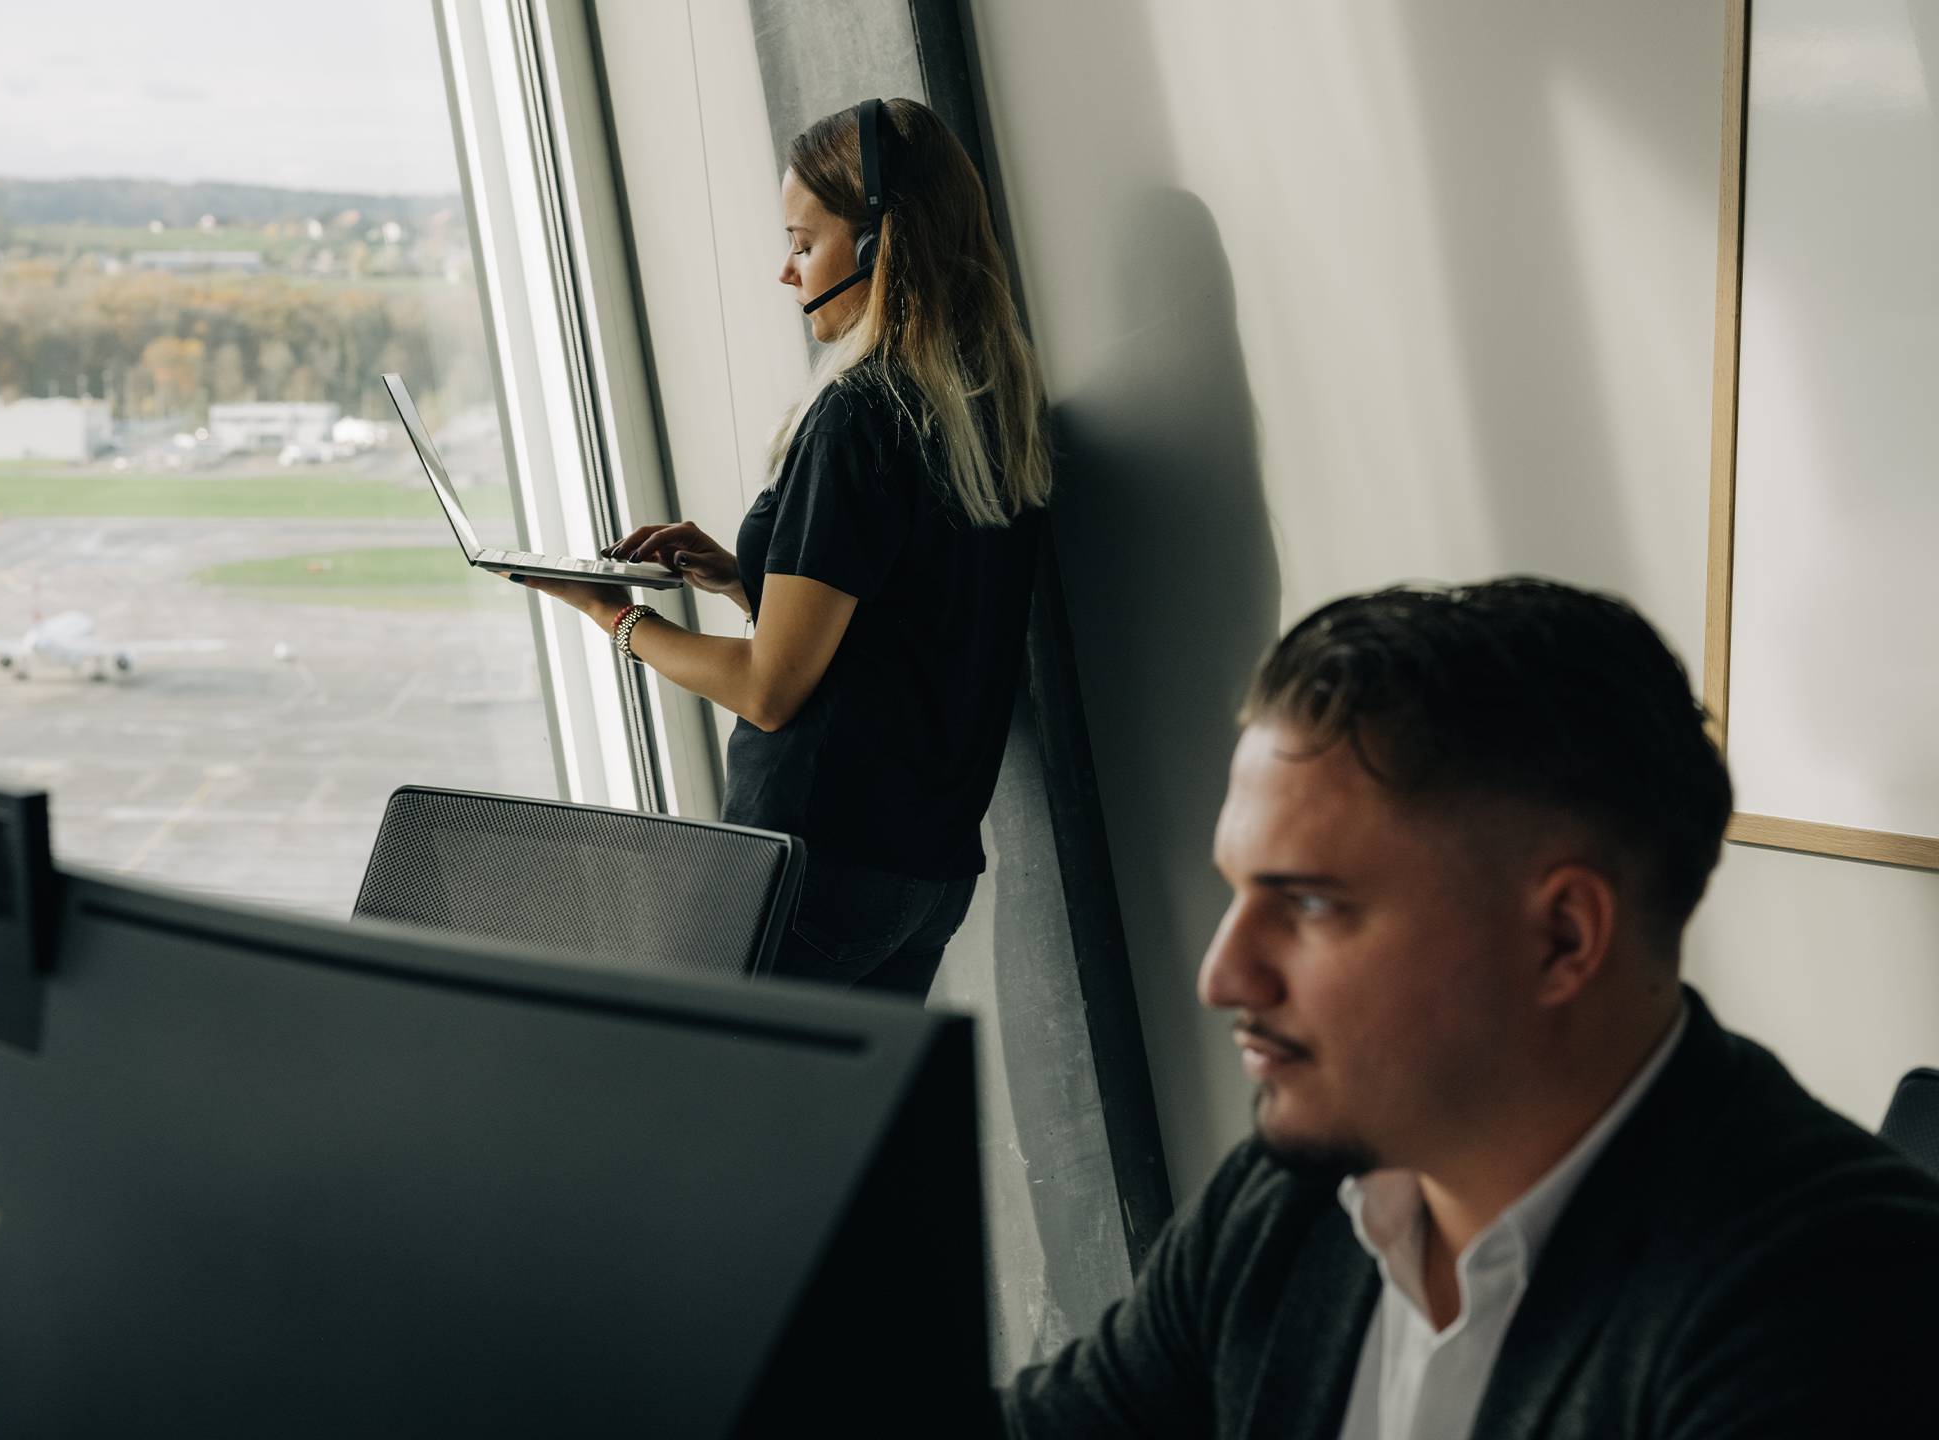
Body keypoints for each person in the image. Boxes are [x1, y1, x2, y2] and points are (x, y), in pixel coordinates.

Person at [1001, 578, 1939, 1437]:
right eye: (1238, 892)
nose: (1223, 976)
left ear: (1563, 939)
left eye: (1313, 904)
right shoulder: (1289, 1197)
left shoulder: (1839, 1307)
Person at [508, 96, 1050, 995]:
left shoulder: (860, 415)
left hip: (813, 862)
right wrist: (741, 577)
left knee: (711, 1123)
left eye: (804, 242)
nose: (786, 271)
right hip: (926, 876)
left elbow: (770, 689)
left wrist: (615, 620)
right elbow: (901, 629)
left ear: (879, 248)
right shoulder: (989, 407)